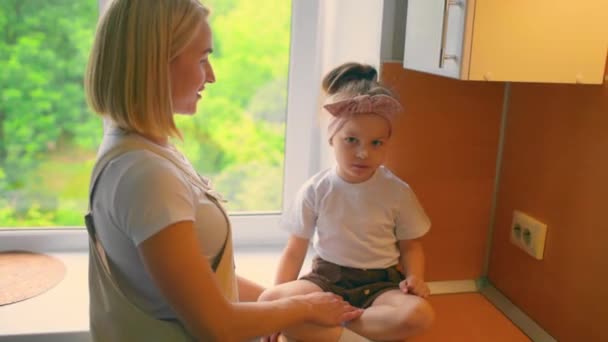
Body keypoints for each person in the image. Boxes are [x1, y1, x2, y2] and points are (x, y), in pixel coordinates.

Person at [83, 0, 363, 341]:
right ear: (156, 64)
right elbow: (218, 325)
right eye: (202, 59)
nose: (212, 75)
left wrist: (279, 301)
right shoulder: (146, 175)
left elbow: (205, 285)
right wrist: (303, 308)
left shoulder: (143, 150)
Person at [258, 62, 435, 342]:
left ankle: (331, 333)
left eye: (376, 143)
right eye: (351, 140)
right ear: (332, 138)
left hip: (381, 287)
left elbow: (411, 246)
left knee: (420, 315)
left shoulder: (397, 192)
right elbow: (294, 251)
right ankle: (352, 335)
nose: (363, 153)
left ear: (388, 142)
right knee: (268, 300)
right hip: (326, 281)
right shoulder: (317, 189)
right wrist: (277, 312)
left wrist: (415, 279)